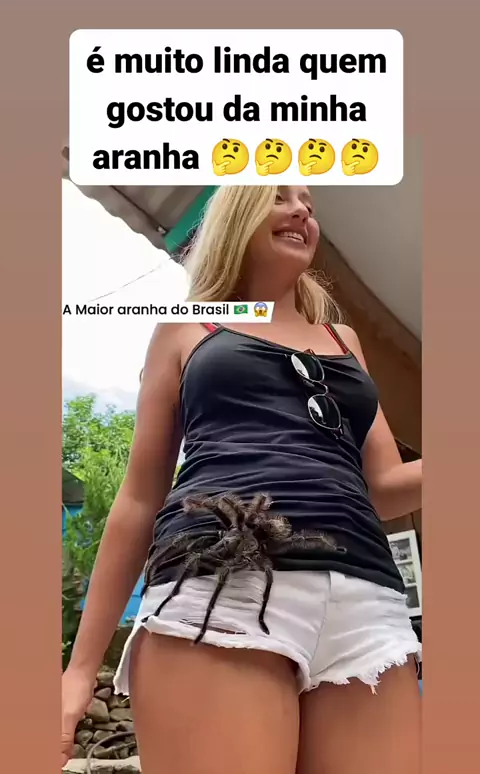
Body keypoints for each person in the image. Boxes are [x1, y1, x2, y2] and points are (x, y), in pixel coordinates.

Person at [62, 185, 422, 774]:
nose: (302, 210)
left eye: (308, 204)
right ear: (237, 215)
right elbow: (139, 498)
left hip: (368, 601)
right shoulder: (188, 330)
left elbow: (383, 486)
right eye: (278, 198)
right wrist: (79, 671)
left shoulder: (344, 341)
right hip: (222, 582)